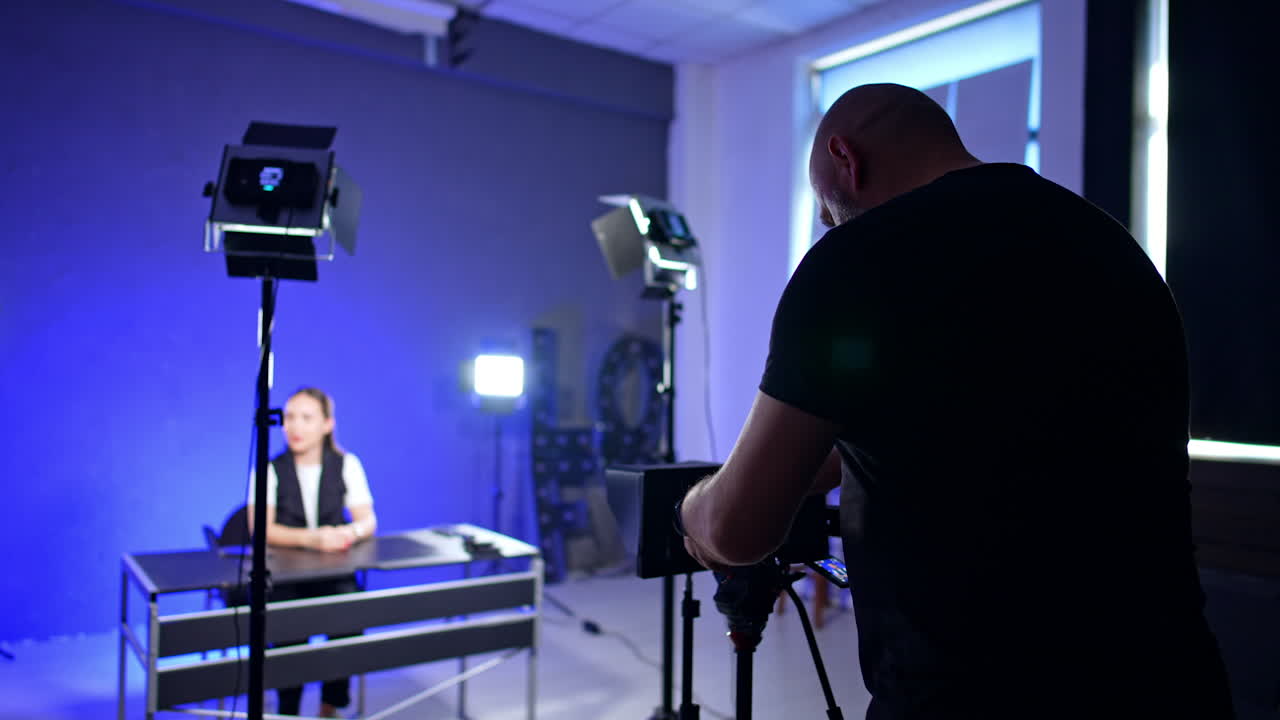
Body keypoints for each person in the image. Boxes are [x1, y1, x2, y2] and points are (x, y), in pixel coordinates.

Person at [677, 83, 1234, 718]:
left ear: (844, 159)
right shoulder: (1110, 246)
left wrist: (694, 508)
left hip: (970, 694)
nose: (830, 224)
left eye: (826, 210)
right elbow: (986, 423)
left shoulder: (856, 260)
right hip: (1170, 683)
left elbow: (737, 529)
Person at [247, 386, 377, 718]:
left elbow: (368, 520)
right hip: (285, 578)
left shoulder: (347, 464)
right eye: (289, 417)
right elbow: (260, 529)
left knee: (348, 615)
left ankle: (330, 706)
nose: (295, 426)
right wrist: (313, 539)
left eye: (306, 418)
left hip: (333, 574)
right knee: (288, 633)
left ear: (327, 424)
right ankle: (287, 709)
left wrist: (349, 532)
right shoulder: (269, 469)